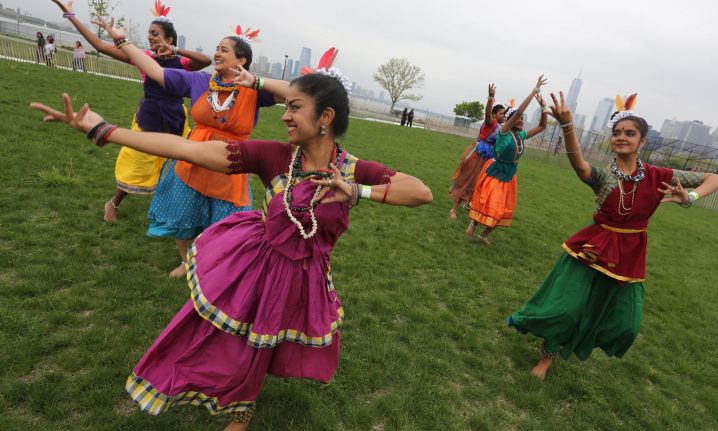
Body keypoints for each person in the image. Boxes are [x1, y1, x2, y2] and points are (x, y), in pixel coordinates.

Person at [31, 70, 432, 431]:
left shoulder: (353, 169)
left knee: (269, 340)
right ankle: (235, 404)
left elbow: (421, 192)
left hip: (306, 273)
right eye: (286, 106)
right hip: (257, 262)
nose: (285, 115)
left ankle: (245, 404)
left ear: (324, 117)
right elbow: (184, 149)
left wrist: (357, 191)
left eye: (295, 107)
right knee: (223, 335)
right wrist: (103, 129)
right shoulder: (273, 156)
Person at [507, 92, 718, 381]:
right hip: (593, 248)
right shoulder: (603, 176)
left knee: (626, 324)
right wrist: (567, 127)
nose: (622, 137)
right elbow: (578, 164)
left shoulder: (658, 175)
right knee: (566, 309)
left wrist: (692, 197)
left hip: (630, 254)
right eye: (617, 133)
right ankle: (546, 357)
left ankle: (580, 340)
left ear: (643, 141)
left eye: (630, 133)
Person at [99, 18, 289, 278]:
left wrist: (256, 82)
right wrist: (123, 41)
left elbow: (293, 93)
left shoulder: (254, 90)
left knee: (226, 225)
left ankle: (212, 266)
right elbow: (155, 71)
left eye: (224, 50)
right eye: (217, 48)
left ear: (241, 60)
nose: (217, 53)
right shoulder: (199, 81)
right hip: (192, 158)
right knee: (183, 215)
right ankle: (187, 261)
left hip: (230, 164)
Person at [51, 0, 211, 223]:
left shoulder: (182, 62)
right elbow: (99, 46)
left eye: (155, 33)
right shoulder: (142, 56)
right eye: (149, 33)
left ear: (169, 38)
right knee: (138, 162)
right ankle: (114, 202)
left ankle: (178, 211)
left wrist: (175, 50)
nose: (150, 37)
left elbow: (205, 61)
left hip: (175, 119)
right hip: (149, 118)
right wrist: (70, 15)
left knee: (180, 165)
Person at [466, 75, 549, 244]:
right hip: (495, 173)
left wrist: (544, 107)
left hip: (510, 176)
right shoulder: (504, 133)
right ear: (511, 120)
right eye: (518, 119)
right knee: (490, 204)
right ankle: (474, 222)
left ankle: (483, 235)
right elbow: (518, 111)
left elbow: (542, 126)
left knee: (503, 209)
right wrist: (535, 90)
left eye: (523, 120)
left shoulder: (521, 136)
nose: (521, 121)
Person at [448, 84, 507, 219]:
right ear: (494, 114)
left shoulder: (502, 127)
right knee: (467, 180)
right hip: (477, 154)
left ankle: (469, 203)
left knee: (479, 182)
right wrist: (490, 98)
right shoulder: (490, 122)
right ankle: (454, 209)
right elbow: (487, 112)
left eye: (504, 114)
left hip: (488, 158)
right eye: (501, 113)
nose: (503, 116)